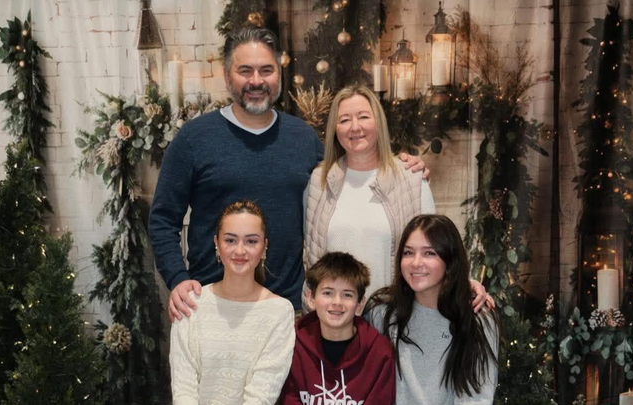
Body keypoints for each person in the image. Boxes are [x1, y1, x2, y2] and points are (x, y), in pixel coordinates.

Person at [149, 27, 426, 321]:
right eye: (245, 71)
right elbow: (163, 218)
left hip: (288, 311)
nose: (257, 81)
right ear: (227, 76)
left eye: (266, 70)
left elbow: (352, 176)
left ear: (279, 74)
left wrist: (401, 165)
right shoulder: (194, 138)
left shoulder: (303, 138)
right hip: (211, 306)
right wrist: (177, 278)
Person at [304, 84, 490, 312]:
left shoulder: (411, 178)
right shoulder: (319, 181)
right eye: (344, 120)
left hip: (393, 319)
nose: (355, 127)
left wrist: (464, 283)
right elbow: (311, 259)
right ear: (335, 128)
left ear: (379, 123)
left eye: (363, 117)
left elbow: (435, 248)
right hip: (334, 322)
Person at [363, 215, 499, 405]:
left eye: (429, 253)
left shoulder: (477, 318)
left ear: (450, 260)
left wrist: (463, 285)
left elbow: (478, 397)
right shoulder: (382, 312)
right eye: (408, 253)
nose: (416, 262)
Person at [169, 200, 295, 405]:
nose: (240, 251)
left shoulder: (279, 312)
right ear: (216, 244)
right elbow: (183, 389)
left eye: (251, 241)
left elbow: (261, 396)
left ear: (264, 247)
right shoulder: (190, 304)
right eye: (230, 240)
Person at [281, 252, 395, 405]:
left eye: (347, 295)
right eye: (328, 293)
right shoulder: (293, 346)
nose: (337, 302)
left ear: (360, 303)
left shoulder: (380, 353)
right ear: (311, 298)